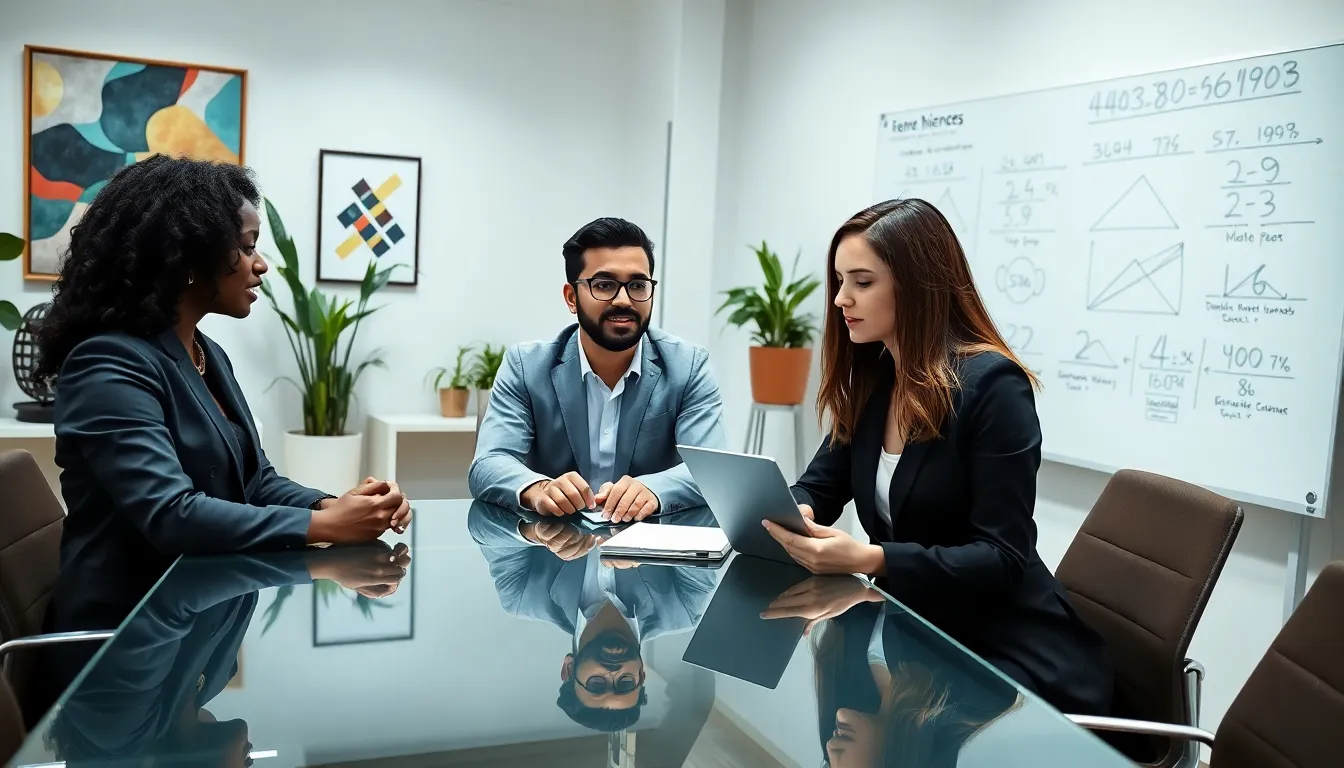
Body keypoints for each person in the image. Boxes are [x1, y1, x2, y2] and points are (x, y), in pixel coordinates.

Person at [33, 156, 412, 649]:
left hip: (193, 625)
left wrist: (331, 505)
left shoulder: (206, 353)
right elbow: (172, 515)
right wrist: (325, 526)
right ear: (188, 257)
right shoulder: (108, 363)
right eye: (247, 247)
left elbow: (254, 479)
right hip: (122, 646)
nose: (261, 265)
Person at [760, 198, 1113, 716]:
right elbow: (820, 486)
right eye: (840, 281)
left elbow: (1002, 558)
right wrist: (798, 513)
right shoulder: (877, 382)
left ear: (917, 284)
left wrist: (871, 559)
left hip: (1006, 655)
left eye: (862, 282)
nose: (840, 299)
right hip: (919, 637)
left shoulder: (992, 386)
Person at [469, 217, 727, 523]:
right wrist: (538, 489)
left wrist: (654, 489)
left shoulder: (687, 367)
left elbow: (715, 471)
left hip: (651, 560)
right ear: (571, 298)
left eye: (637, 285)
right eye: (604, 285)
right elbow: (488, 463)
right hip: (553, 553)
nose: (623, 300)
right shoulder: (526, 366)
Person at [467, 500, 716, 738]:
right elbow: (708, 521)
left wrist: (536, 533)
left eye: (597, 684)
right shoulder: (682, 610)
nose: (613, 673)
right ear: (641, 675)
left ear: (569, 668)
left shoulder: (522, 597)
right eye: (626, 683)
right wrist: (648, 541)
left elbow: (481, 523)